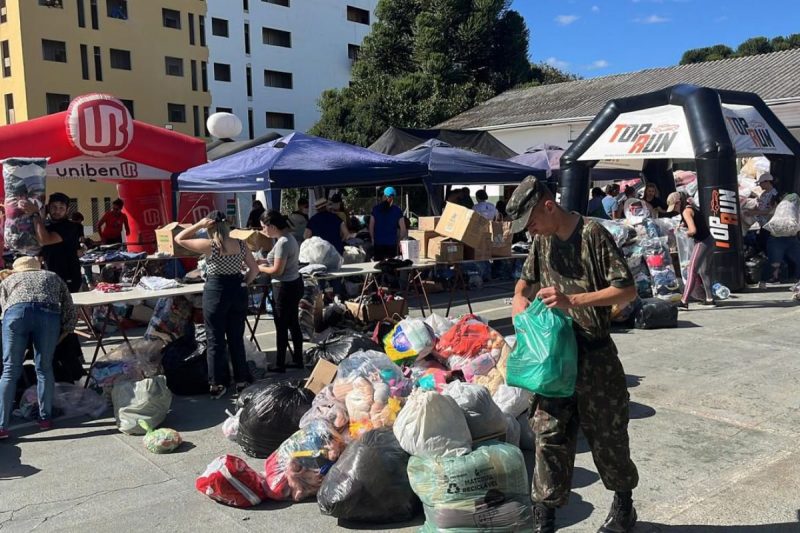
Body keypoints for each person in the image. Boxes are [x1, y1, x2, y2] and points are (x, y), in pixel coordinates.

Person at [507, 176, 639, 533]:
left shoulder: (593, 234)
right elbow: (525, 281)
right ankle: (545, 518)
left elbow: (626, 290)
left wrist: (573, 301)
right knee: (548, 436)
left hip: (594, 357)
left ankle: (624, 506)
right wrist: (519, 300)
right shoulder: (541, 241)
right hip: (553, 358)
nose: (530, 230)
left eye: (532, 222)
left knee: (608, 436)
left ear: (549, 206)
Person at [175, 210, 259, 398]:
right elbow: (254, 269)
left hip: (216, 291)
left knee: (215, 340)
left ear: (210, 226)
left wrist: (198, 224)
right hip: (237, 290)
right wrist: (244, 282)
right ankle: (241, 380)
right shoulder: (241, 244)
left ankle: (217, 384)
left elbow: (179, 238)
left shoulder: (210, 245)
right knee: (236, 338)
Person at [0, 257, 76, 438]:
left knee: (9, 370)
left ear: (17, 270)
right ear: (39, 267)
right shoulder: (53, 276)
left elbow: (4, 309)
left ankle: (2, 425)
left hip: (16, 315)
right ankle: (45, 419)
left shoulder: (9, 280)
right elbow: (69, 308)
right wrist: (66, 329)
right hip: (48, 315)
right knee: (44, 368)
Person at [258, 211, 303, 372]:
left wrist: (259, 268)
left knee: (282, 325)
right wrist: (262, 261)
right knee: (292, 323)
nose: (263, 231)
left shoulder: (283, 242)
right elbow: (277, 260)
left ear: (272, 226)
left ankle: (280, 363)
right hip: (293, 283)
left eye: (264, 227)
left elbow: (277, 270)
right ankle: (297, 359)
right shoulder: (287, 238)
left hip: (284, 287)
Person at [23, 192, 83, 292]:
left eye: (61, 208)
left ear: (67, 210)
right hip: (50, 276)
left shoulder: (70, 227)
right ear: (48, 208)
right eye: (54, 207)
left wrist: (35, 214)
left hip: (69, 278)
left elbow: (44, 240)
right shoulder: (46, 225)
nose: (57, 211)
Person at [669, 192, 715, 308]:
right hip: (710, 241)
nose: (674, 210)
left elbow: (693, 230)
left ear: (678, 202)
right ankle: (710, 299)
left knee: (691, 270)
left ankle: (684, 301)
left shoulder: (686, 211)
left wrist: (684, 233)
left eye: (674, 206)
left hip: (702, 242)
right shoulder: (691, 207)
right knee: (704, 271)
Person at [369, 186, 406, 260]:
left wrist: (372, 239)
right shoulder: (397, 211)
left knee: (379, 265)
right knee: (391, 265)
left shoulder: (375, 209)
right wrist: (399, 241)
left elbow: (371, 226)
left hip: (378, 244)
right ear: (393, 197)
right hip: (392, 244)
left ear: (383, 196)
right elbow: (403, 230)